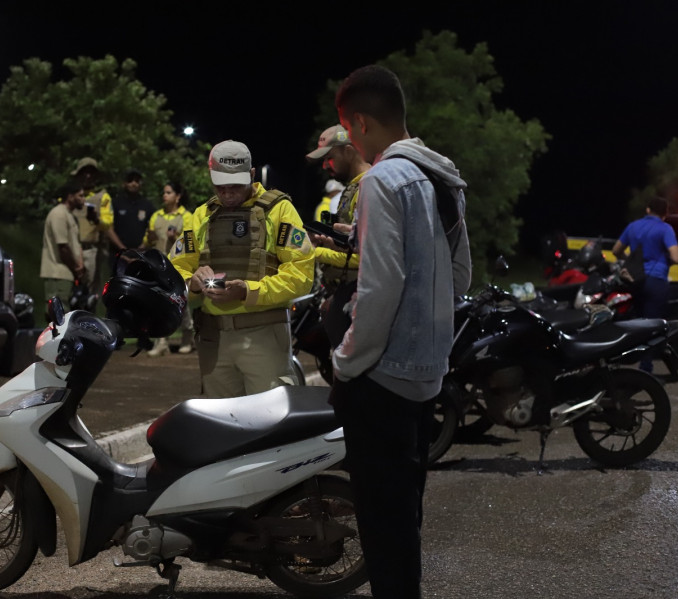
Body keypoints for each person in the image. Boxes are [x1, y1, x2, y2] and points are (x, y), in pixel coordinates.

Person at [330, 64, 471, 599]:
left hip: (382, 377)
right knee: (403, 518)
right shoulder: (443, 174)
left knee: (381, 528)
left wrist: (346, 361)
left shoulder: (383, 180)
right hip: (428, 373)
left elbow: (380, 286)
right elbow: (460, 276)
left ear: (360, 123)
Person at [170, 140, 315, 397]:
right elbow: (174, 270)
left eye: (235, 184)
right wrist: (192, 282)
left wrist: (247, 291)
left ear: (252, 174)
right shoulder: (202, 215)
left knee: (269, 423)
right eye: (220, 185)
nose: (226, 192)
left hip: (264, 337)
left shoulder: (279, 210)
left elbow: (300, 276)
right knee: (223, 424)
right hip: (213, 339)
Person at [611, 197, 678, 373]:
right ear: (665, 214)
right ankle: (646, 368)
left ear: (648, 210)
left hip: (636, 281)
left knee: (638, 322)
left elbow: (616, 250)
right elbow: (677, 257)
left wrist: (630, 262)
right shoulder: (665, 228)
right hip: (656, 280)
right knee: (653, 326)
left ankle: (625, 362)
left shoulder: (633, 226)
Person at [305, 124, 370, 291]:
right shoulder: (353, 188)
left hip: (359, 293)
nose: (325, 166)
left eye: (329, 158)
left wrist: (312, 252)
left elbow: (367, 256)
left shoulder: (370, 188)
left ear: (348, 152)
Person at [144, 181, 196, 356]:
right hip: (158, 266)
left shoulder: (187, 217)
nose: (164, 195)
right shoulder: (156, 216)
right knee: (157, 303)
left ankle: (187, 336)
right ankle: (161, 342)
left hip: (178, 267)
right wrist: (149, 238)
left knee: (181, 302)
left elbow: (190, 243)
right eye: (164, 192)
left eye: (168, 192)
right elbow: (148, 241)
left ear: (178, 196)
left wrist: (175, 239)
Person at [40, 179, 86, 310]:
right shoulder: (58, 214)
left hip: (66, 274)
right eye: (80, 196)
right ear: (70, 197)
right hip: (58, 273)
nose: (83, 200)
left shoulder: (69, 215)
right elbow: (63, 247)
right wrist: (77, 268)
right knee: (58, 315)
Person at [69, 157, 112, 294]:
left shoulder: (102, 197)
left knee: (90, 296)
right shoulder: (69, 196)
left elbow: (108, 225)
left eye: (91, 172)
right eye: (84, 172)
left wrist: (96, 220)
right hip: (69, 250)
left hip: (91, 251)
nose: (88, 176)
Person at [102, 168, 155, 274]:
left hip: (140, 256)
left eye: (137, 181)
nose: (134, 184)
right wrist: (123, 249)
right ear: (124, 184)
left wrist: (141, 249)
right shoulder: (115, 203)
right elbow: (108, 228)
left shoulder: (148, 205)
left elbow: (152, 230)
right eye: (130, 180)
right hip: (118, 256)